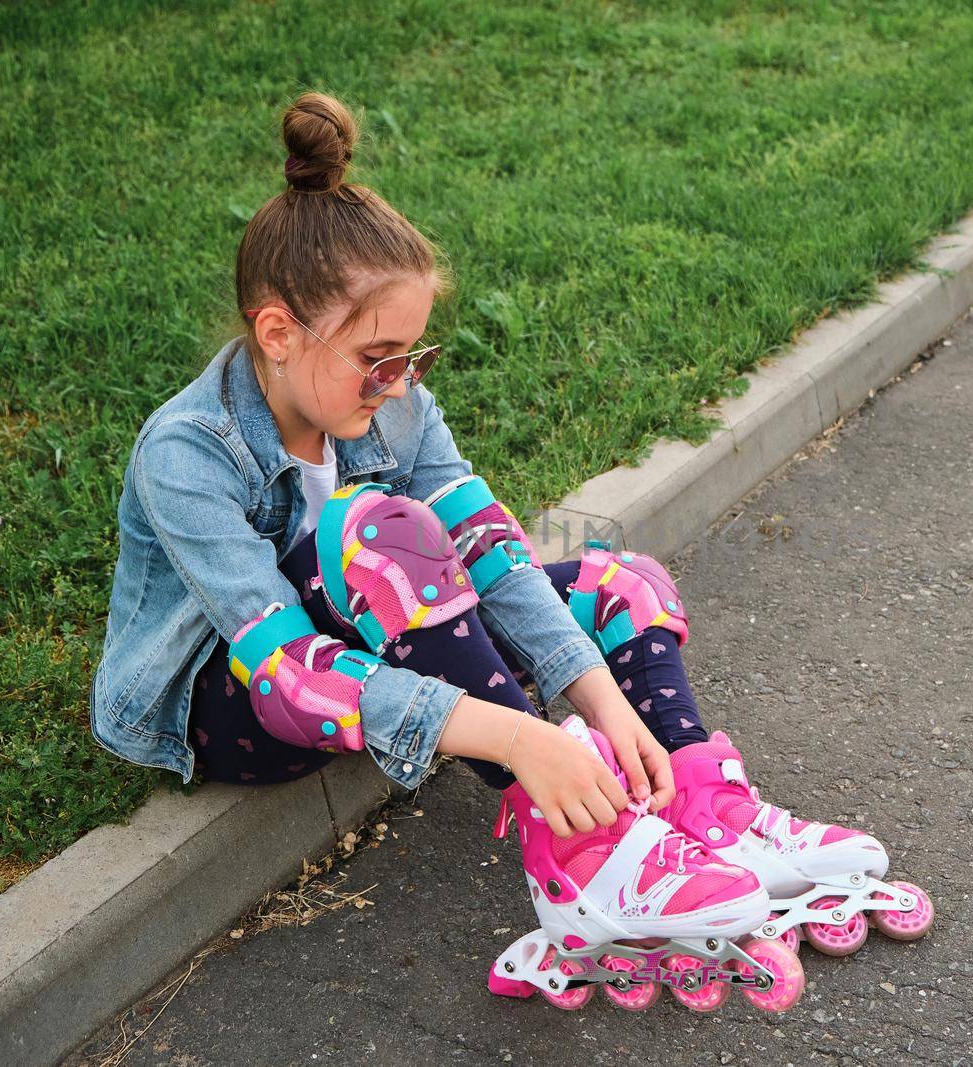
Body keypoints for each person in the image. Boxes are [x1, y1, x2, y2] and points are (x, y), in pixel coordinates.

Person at [90, 91, 929, 1011]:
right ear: (279, 333)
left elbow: (489, 545)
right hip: (236, 703)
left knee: (622, 583)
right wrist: (527, 738)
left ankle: (693, 807)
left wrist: (606, 713)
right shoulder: (189, 453)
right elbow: (288, 668)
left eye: (414, 356)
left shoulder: (393, 404)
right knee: (380, 535)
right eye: (380, 358)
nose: (401, 382)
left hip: (370, 637)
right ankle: (585, 859)